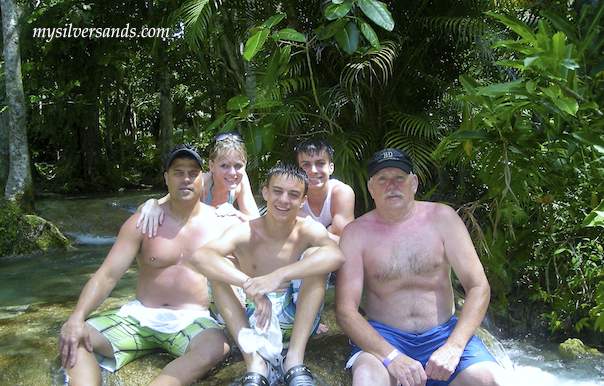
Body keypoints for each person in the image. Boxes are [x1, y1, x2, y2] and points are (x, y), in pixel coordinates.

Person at [58, 146, 240, 386]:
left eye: (192, 173)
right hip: (139, 316)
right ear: (166, 178)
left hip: (193, 318)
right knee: (76, 338)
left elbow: (254, 259)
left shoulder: (220, 224)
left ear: (203, 178)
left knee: (216, 347)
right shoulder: (143, 222)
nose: (185, 179)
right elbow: (108, 276)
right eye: (178, 172)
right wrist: (77, 317)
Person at [335, 148, 508, 386]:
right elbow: (345, 310)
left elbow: (478, 286)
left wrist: (454, 347)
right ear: (371, 188)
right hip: (385, 338)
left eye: (399, 177)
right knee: (367, 380)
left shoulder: (443, 219)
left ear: (413, 183)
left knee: (491, 381)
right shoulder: (355, 233)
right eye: (382, 179)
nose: (391, 185)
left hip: (444, 334)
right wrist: (391, 356)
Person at [191, 162, 345, 386]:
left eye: (293, 195)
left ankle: (294, 359)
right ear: (265, 193)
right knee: (218, 266)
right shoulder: (245, 230)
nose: (284, 200)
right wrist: (249, 285)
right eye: (277, 191)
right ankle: (254, 363)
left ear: (303, 200)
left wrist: (280, 275)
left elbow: (336, 256)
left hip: (295, 320)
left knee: (317, 256)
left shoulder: (308, 229)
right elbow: (200, 257)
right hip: (252, 317)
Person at [138, 132, 260, 237]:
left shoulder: (241, 181)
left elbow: (258, 222)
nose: (232, 173)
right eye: (224, 166)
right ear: (212, 166)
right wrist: (152, 203)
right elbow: (152, 206)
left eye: (238, 166)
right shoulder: (200, 183)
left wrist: (236, 213)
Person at [294, 137, 355, 243]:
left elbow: (346, 242)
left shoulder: (341, 193)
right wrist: (329, 231)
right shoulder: (292, 194)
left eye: (320, 163)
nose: (313, 171)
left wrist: (309, 228)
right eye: (306, 165)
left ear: (331, 168)